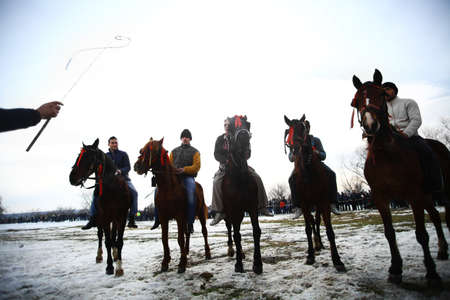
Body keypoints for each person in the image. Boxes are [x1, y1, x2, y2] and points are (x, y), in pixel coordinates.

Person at [382, 82, 443, 199]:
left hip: (410, 137)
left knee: (428, 153)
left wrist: (406, 134)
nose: (385, 92)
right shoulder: (382, 108)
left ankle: (437, 188)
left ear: (394, 90)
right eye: (383, 90)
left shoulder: (408, 102)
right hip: (392, 139)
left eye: (388, 89)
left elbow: (416, 120)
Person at [210, 118, 273, 226]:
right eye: (225, 124)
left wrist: (244, 155)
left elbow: (248, 152)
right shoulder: (220, 139)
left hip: (241, 166)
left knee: (257, 178)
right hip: (225, 167)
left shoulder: (239, 136)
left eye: (228, 124)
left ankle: (263, 206)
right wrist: (225, 159)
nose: (226, 126)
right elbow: (216, 154)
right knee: (216, 182)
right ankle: (219, 211)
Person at [82, 136, 139, 230]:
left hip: (123, 179)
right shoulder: (105, 155)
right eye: (112, 143)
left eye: (116, 143)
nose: (114, 144)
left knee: (134, 193)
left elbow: (128, 167)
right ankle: (92, 218)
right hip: (107, 181)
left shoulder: (123, 154)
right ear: (108, 144)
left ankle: (132, 218)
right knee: (95, 194)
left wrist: (120, 171)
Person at [151, 129, 200, 234]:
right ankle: (157, 219)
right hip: (174, 177)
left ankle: (190, 222)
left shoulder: (195, 152)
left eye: (187, 137)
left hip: (188, 178)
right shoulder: (173, 151)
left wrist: (184, 169)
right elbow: (169, 164)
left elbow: (196, 166)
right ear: (181, 138)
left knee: (191, 193)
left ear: (190, 139)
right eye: (183, 137)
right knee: (157, 191)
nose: (185, 139)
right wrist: (172, 171)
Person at [289, 120, 340, 219]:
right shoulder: (295, 141)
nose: (305, 130)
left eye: (307, 127)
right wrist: (294, 154)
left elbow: (323, 155)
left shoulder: (315, 140)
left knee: (332, 174)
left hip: (316, 164)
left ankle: (333, 203)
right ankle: (297, 206)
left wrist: (316, 152)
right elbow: (290, 157)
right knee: (291, 179)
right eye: (304, 128)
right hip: (300, 167)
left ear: (308, 128)